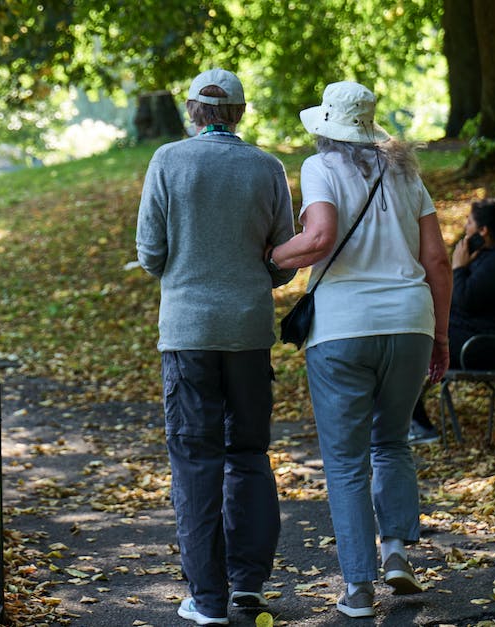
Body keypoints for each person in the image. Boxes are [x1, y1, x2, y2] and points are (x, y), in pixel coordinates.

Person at [265, 81, 452, 618]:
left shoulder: (319, 168)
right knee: (392, 443)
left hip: (343, 330)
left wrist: (269, 257)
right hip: (410, 324)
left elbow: (319, 238)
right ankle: (395, 553)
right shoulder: (408, 174)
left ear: (326, 128)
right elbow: (437, 261)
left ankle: (358, 589)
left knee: (346, 463)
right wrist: (440, 335)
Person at [135, 68, 297, 626]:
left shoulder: (168, 161)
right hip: (248, 332)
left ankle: (206, 599)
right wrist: (254, 280)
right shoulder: (267, 167)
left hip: (187, 333)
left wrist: (185, 268)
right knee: (249, 455)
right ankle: (249, 586)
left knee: (196, 462)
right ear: (241, 114)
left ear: (191, 112)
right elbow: (283, 254)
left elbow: (151, 251)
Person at [409, 198, 495, 443]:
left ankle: (420, 426)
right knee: (406, 341)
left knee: (411, 347)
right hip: (469, 338)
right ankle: (409, 422)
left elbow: (463, 300)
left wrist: (458, 268)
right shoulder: (489, 257)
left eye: (468, 223)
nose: (465, 228)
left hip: (481, 348)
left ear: (483, 231)